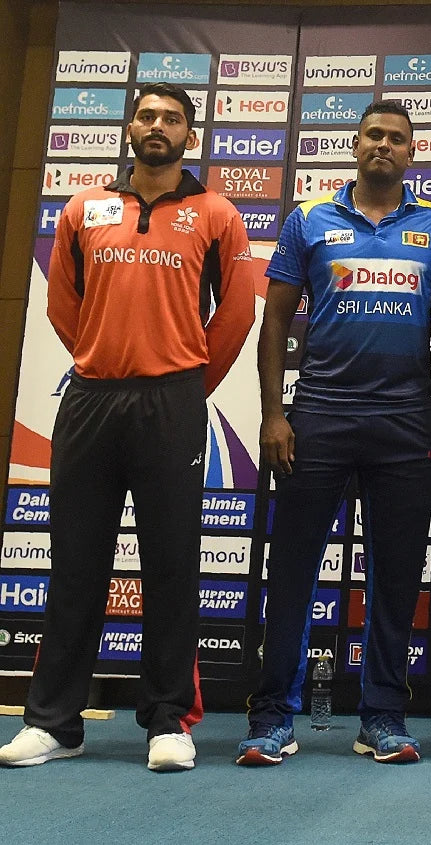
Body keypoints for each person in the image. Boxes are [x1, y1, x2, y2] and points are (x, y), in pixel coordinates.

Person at [0, 83, 255, 771]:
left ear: (189, 138)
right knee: (75, 561)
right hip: (90, 400)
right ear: (129, 128)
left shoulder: (217, 214)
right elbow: (63, 304)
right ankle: (54, 720)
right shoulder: (84, 207)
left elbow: (233, 316)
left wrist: (183, 383)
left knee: (171, 562)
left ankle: (168, 719)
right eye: (147, 115)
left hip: (173, 403)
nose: (158, 127)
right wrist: (105, 359)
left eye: (172, 119)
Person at [237, 100, 431, 766]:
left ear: (411, 152)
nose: (384, 147)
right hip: (318, 418)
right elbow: (275, 322)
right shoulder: (309, 218)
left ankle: (382, 716)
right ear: (355, 143)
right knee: (295, 572)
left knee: (396, 577)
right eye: (374, 136)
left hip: (404, 423)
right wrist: (275, 413)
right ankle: (273, 715)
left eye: (397, 139)